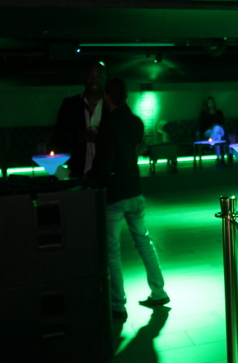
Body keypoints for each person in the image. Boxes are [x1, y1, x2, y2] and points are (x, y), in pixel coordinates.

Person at [91, 77, 169, 322]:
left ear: (107, 97)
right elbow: (132, 150)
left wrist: (89, 176)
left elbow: (105, 161)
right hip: (135, 188)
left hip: (115, 193)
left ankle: (117, 304)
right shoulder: (136, 122)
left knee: (112, 249)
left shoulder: (108, 123)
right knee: (144, 241)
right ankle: (159, 291)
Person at [53, 61, 108, 178]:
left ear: (104, 79)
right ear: (84, 78)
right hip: (78, 172)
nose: (94, 80)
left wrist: (99, 138)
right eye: (90, 76)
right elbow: (59, 138)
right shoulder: (70, 104)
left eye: (98, 76)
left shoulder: (112, 105)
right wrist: (79, 137)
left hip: (106, 173)